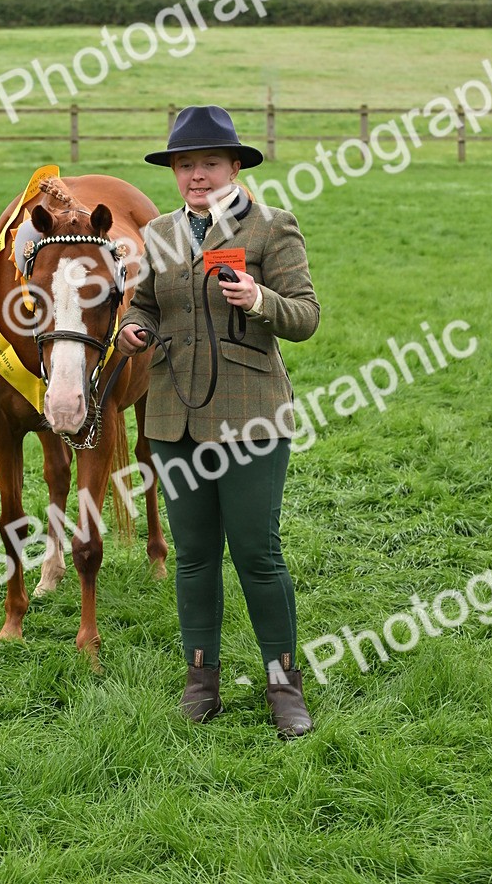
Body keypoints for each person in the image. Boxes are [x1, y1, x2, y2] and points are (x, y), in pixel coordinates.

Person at [116, 105, 320, 738]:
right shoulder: (160, 236)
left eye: (207, 163)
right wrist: (132, 331)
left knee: (257, 553)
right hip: (173, 417)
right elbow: (146, 306)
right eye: (184, 165)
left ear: (235, 166)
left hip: (251, 416)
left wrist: (260, 300)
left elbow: (306, 316)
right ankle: (200, 677)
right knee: (195, 555)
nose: (195, 175)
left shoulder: (271, 228)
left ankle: (284, 684)